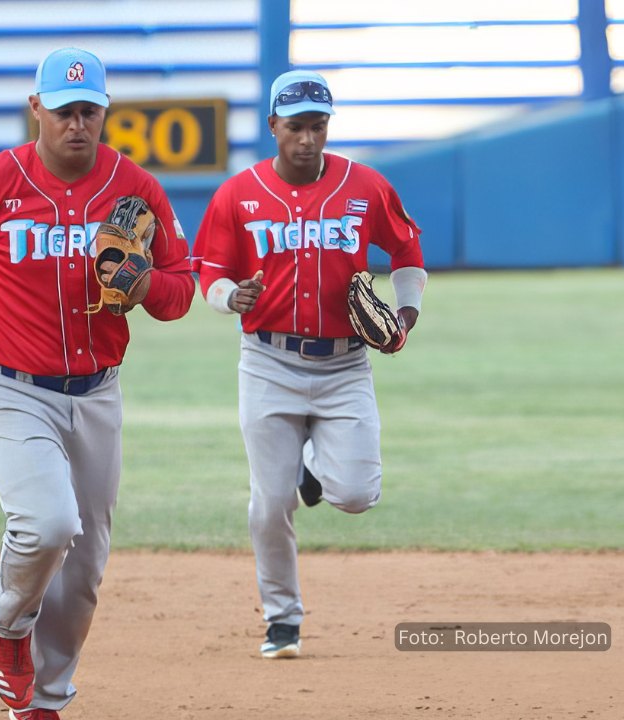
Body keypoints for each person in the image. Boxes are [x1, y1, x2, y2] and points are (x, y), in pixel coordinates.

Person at [0, 47, 194, 720]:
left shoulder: (135, 191)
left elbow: (180, 292)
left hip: (97, 391)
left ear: (105, 113)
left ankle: (43, 703)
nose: (77, 123)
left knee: (86, 568)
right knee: (47, 524)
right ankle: (7, 625)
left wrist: (145, 281)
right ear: (35, 108)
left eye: (89, 110)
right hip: (11, 384)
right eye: (63, 110)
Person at [191, 69, 427, 659]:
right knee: (270, 503)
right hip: (268, 362)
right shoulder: (236, 195)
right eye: (295, 126)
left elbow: (406, 250)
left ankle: (313, 474)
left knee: (357, 495)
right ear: (273, 126)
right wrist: (228, 298)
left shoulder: (364, 186)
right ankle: (282, 620)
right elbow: (209, 274)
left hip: (346, 366)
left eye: (317, 126)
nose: (307, 139)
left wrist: (407, 312)